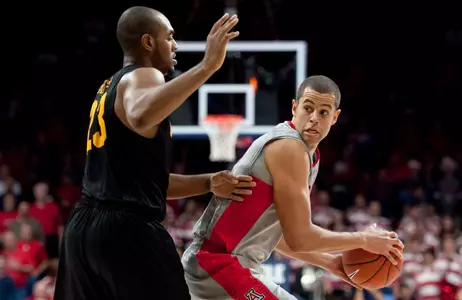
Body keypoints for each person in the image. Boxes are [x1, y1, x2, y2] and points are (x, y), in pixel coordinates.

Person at [54, 6, 252, 300]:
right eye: (169, 37)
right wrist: (208, 66)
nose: (175, 46)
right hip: (126, 234)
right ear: (148, 43)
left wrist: (209, 182)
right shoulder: (144, 75)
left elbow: (145, 182)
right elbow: (141, 115)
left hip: (83, 232)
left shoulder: (108, 87)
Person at [182, 75, 405, 300]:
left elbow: (275, 236)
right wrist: (363, 239)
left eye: (323, 112)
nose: (314, 118)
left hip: (230, 265)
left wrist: (330, 262)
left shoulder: (308, 155)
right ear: (294, 107)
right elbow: (300, 238)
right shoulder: (289, 148)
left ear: (335, 117)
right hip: (216, 264)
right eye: (308, 108)